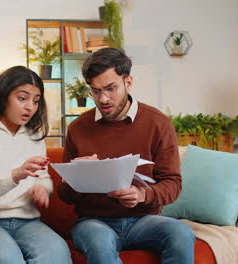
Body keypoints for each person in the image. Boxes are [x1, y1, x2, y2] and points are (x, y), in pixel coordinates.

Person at [57, 48, 195, 264]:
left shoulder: (158, 123)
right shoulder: (77, 128)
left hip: (143, 221)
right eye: (95, 91)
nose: (103, 99)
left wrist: (142, 195)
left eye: (111, 89)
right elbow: (65, 196)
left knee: (181, 233)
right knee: (99, 242)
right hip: (93, 222)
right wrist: (70, 178)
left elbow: (173, 183)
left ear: (128, 82)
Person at [0, 66, 72, 264]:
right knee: (7, 259)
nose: (30, 107)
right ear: (3, 96)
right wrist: (15, 175)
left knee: (58, 254)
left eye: (36, 101)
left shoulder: (34, 136)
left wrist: (43, 188)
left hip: (26, 222)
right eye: (22, 98)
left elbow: (42, 176)